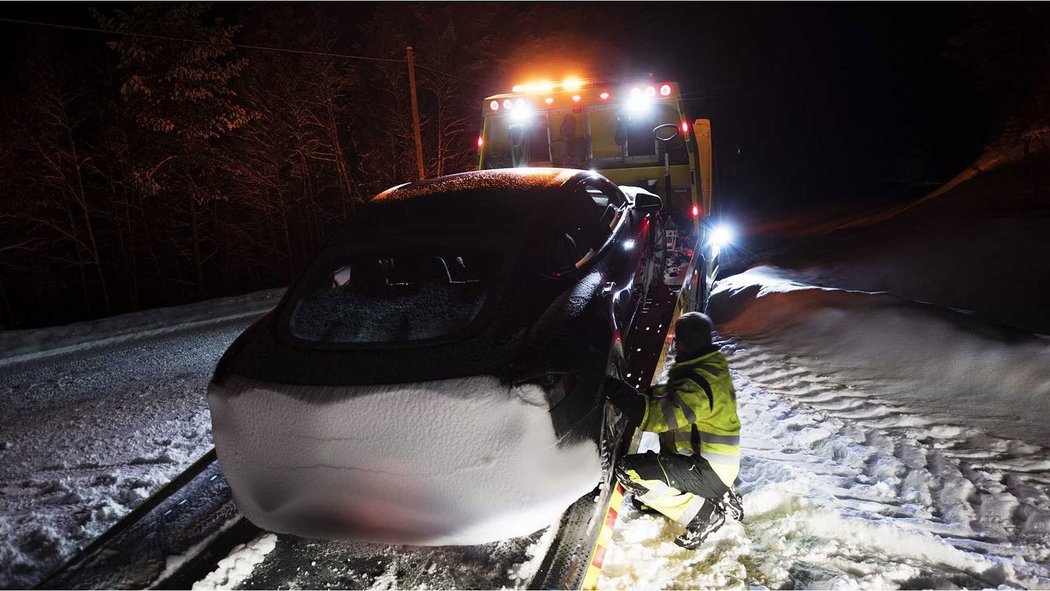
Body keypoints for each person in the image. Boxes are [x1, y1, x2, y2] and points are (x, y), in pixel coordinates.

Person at [606, 311, 744, 549]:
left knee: (629, 471)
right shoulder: (709, 369)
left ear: (681, 343)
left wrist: (614, 389)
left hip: (708, 468)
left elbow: (656, 419)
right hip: (717, 464)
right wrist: (648, 394)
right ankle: (716, 494)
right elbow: (674, 397)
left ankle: (702, 515)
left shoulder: (697, 385)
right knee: (656, 471)